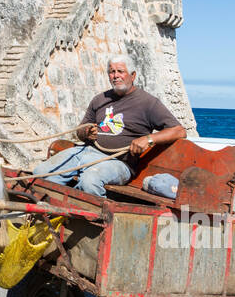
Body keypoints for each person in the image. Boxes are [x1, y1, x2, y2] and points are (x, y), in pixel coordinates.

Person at [32, 55, 187, 198]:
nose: (115, 75)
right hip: (87, 151)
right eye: (112, 72)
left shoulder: (148, 103)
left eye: (121, 71)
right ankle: (52, 212)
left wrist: (149, 139)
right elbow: (80, 131)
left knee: (89, 181)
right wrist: (85, 132)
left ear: (132, 76)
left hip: (119, 163)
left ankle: (89, 223)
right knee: (41, 172)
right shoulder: (99, 100)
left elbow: (179, 131)